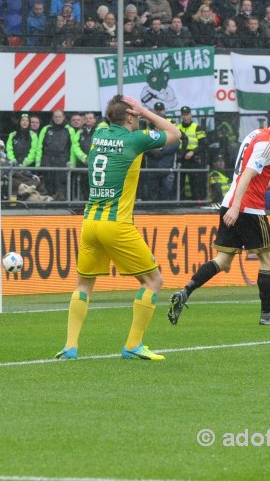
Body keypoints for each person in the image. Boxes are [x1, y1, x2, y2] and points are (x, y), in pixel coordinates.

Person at [55, 95, 180, 361]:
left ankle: (70, 346)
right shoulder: (135, 139)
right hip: (116, 224)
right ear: (130, 117)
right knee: (153, 280)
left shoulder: (98, 135)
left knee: (84, 284)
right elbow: (174, 133)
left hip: (90, 221)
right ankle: (133, 344)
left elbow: (111, 121)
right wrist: (145, 110)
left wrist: (125, 112)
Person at [168, 106, 270, 327]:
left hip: (230, 203)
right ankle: (267, 315)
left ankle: (185, 292)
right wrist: (237, 208)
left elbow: (246, 174)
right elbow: (248, 176)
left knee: (222, 261)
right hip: (247, 208)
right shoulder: (267, 145)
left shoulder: (255, 135)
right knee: (269, 259)